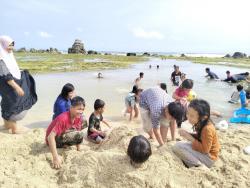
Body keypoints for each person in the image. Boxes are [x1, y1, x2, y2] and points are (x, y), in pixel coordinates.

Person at [0, 36, 37, 134]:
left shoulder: (7, 55)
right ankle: (14, 129)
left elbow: (11, 70)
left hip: (7, 86)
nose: (11, 48)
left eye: (12, 46)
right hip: (8, 86)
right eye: (9, 46)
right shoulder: (1, 59)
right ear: (3, 45)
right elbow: (6, 76)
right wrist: (17, 87)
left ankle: (7, 125)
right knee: (13, 104)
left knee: (7, 103)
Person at [173, 99, 220, 168]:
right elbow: (200, 137)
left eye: (192, 116)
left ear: (203, 117)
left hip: (209, 158)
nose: (188, 117)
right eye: (187, 113)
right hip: (207, 153)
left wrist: (189, 137)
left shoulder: (207, 129)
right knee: (179, 144)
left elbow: (205, 150)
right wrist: (188, 134)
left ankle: (198, 166)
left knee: (178, 147)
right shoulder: (201, 123)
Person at [46, 96, 86, 169]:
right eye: (79, 109)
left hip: (62, 134)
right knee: (79, 134)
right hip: (52, 140)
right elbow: (50, 137)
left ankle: (65, 144)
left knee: (84, 122)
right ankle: (61, 147)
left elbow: (78, 130)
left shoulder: (78, 117)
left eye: (82, 109)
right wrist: (55, 158)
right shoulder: (63, 118)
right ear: (71, 107)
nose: (81, 111)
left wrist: (78, 149)